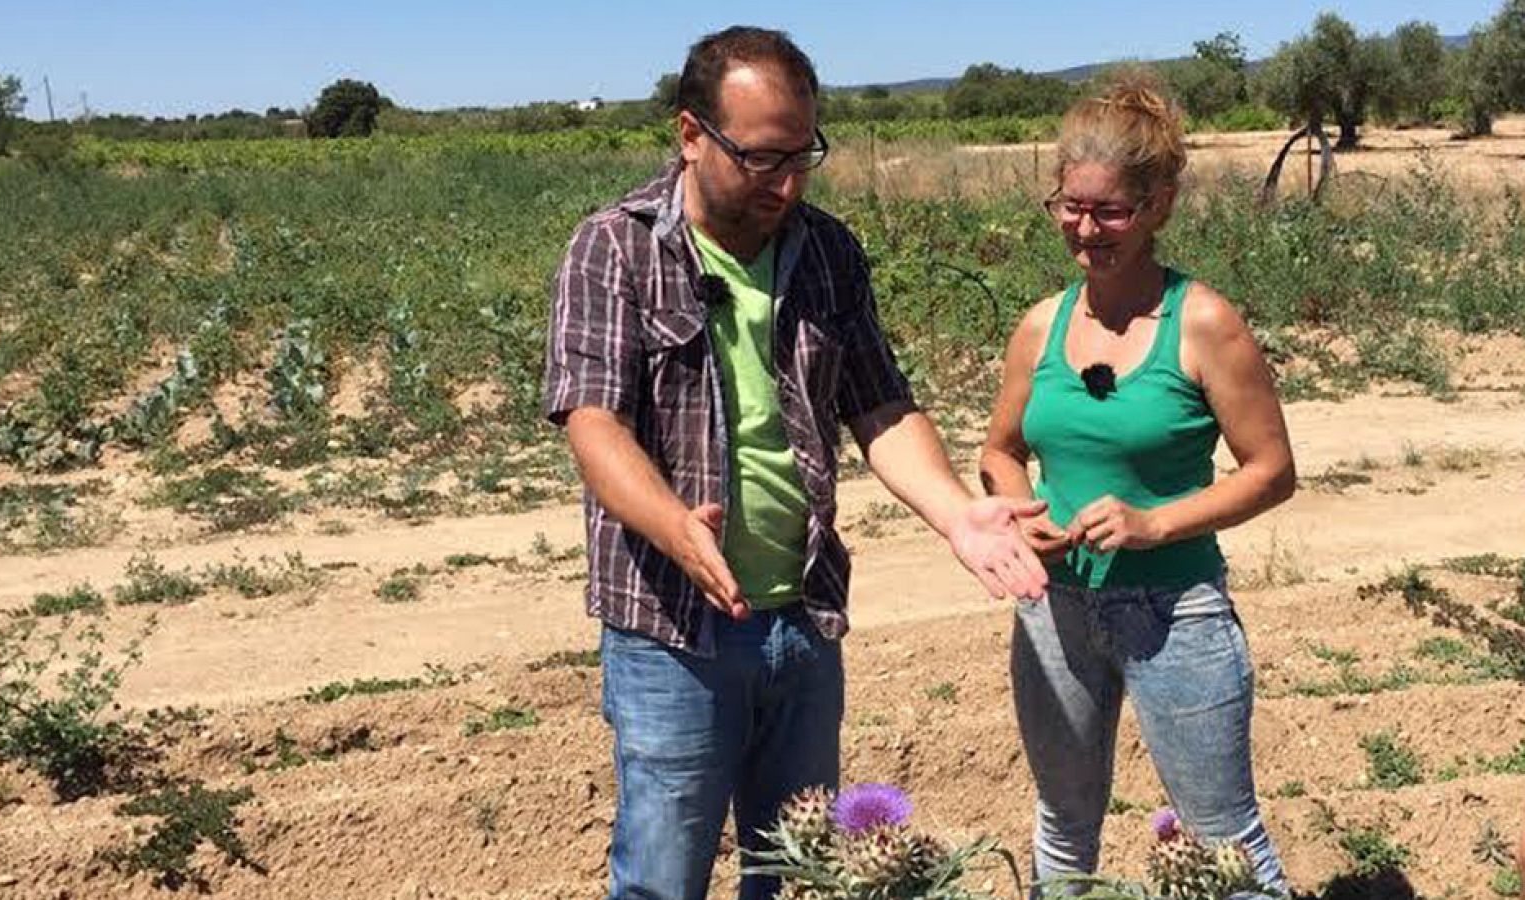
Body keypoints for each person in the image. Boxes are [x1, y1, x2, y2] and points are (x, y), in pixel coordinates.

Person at [543, 25, 1048, 900]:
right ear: (691, 135)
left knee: (796, 876)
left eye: (803, 155)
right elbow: (593, 424)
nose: (787, 182)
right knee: (664, 878)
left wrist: (959, 513)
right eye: (763, 158)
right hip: (673, 631)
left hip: (803, 622)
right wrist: (673, 526)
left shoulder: (826, 251)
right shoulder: (614, 248)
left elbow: (880, 405)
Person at [978, 77, 1296, 897]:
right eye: (1070, 207)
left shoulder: (1205, 324)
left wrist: (1155, 524)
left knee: (1226, 841)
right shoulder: (1039, 324)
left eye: (1111, 211)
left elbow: (1272, 472)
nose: (1086, 231)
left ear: (1160, 203)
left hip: (1175, 613)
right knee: (1062, 821)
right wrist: (1024, 517)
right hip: (1056, 610)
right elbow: (1000, 451)